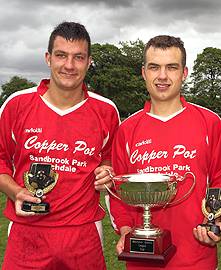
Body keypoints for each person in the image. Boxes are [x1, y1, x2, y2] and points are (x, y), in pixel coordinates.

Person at [0, 22, 120, 269]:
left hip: (83, 234)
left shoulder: (106, 111)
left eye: (78, 57)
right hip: (27, 232)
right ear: (48, 58)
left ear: (89, 62)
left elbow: (111, 160)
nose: (69, 65)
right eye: (61, 55)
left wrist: (107, 171)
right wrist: (15, 191)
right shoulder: (16, 105)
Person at [108, 35, 221, 270]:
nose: (162, 76)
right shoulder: (127, 129)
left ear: (184, 73)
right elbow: (117, 192)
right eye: (154, 67)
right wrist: (125, 231)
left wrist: (212, 221)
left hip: (196, 258)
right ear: (144, 72)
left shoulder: (210, 122)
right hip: (142, 259)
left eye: (171, 67)